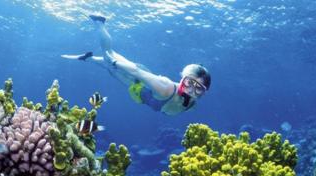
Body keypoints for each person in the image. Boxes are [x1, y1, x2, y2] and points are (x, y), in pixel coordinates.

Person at [61, 15, 211, 116]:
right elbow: (137, 72)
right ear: (183, 78)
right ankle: (100, 23)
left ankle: (88, 58)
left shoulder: (191, 102)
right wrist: (114, 62)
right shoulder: (165, 89)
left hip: (141, 85)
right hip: (135, 79)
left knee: (109, 68)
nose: (192, 90)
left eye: (199, 89)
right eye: (189, 83)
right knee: (109, 54)